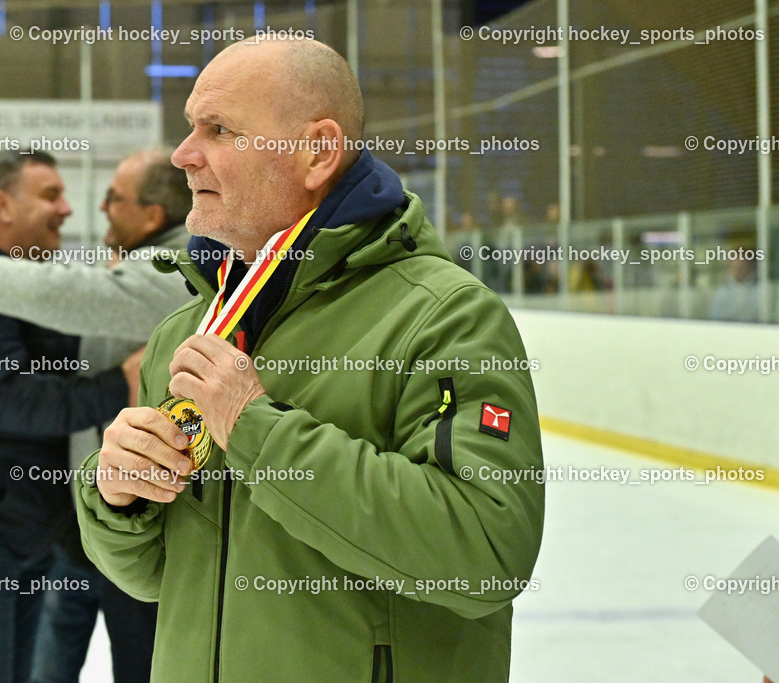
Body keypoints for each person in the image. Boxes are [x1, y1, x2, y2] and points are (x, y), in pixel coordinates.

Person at [75, 38, 544, 682]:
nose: (184, 155)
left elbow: (486, 554)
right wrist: (119, 499)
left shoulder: (443, 316)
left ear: (317, 151)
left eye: (218, 130)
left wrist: (256, 427)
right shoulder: (188, 331)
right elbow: (161, 577)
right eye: (190, 128)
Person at [0, 148, 194, 683]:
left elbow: (74, 295)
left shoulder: (170, 269)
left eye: (114, 199)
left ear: (153, 218)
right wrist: (117, 383)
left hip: (66, 517)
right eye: (50, 195)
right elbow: (8, 397)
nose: (79, 209)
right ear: (3, 206)